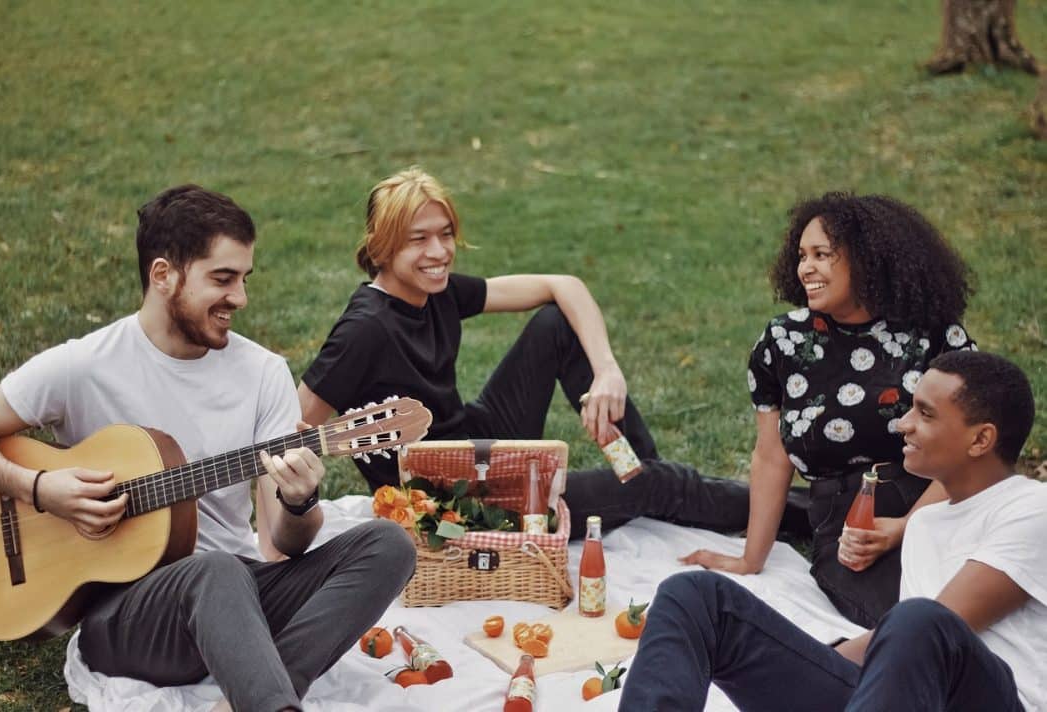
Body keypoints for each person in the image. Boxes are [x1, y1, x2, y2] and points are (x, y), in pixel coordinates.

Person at [0, 185, 416, 712]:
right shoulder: (83, 366)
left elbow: (285, 543)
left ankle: (262, 693)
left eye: (245, 279)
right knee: (216, 569)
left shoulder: (262, 373)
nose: (241, 298)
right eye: (223, 279)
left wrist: (300, 502)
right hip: (127, 616)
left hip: (240, 598)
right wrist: (37, 487)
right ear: (163, 275)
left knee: (389, 544)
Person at [298, 166, 807, 539]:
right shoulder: (365, 329)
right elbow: (291, 428)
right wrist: (286, 533)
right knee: (656, 485)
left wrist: (607, 373)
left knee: (556, 324)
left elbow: (563, 286)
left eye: (446, 234)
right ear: (382, 247)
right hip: (457, 504)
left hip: (476, 441)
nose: (439, 252)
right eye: (418, 239)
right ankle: (802, 513)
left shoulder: (435, 291)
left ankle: (640, 474)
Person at [620, 350, 1045, 712]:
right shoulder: (925, 523)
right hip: (901, 695)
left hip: (989, 700)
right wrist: (806, 662)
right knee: (696, 595)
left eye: (925, 414)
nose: (903, 424)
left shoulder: (1032, 509)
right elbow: (898, 652)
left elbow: (939, 628)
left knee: (918, 620)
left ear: (981, 440)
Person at [682, 193, 976, 627]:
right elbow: (771, 456)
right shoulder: (784, 341)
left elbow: (970, 446)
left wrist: (905, 525)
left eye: (822, 254)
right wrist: (750, 559)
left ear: (866, 259)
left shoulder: (933, 334)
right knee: (905, 622)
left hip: (940, 499)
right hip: (847, 517)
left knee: (989, 602)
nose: (806, 268)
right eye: (802, 256)